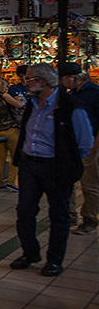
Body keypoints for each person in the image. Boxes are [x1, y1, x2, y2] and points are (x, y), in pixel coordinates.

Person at [10, 64, 93, 277]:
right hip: (30, 164)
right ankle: (30, 253)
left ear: (42, 81)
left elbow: (84, 142)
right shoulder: (32, 104)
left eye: (29, 79)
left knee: (58, 214)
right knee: (25, 211)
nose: (24, 82)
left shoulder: (70, 106)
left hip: (55, 167)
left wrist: (67, 162)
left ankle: (54, 260)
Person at [59, 63, 99, 234]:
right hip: (71, 146)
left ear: (71, 78)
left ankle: (89, 219)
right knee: (67, 181)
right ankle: (69, 216)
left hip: (90, 147)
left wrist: (94, 147)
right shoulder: (72, 94)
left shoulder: (94, 93)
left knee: (89, 185)